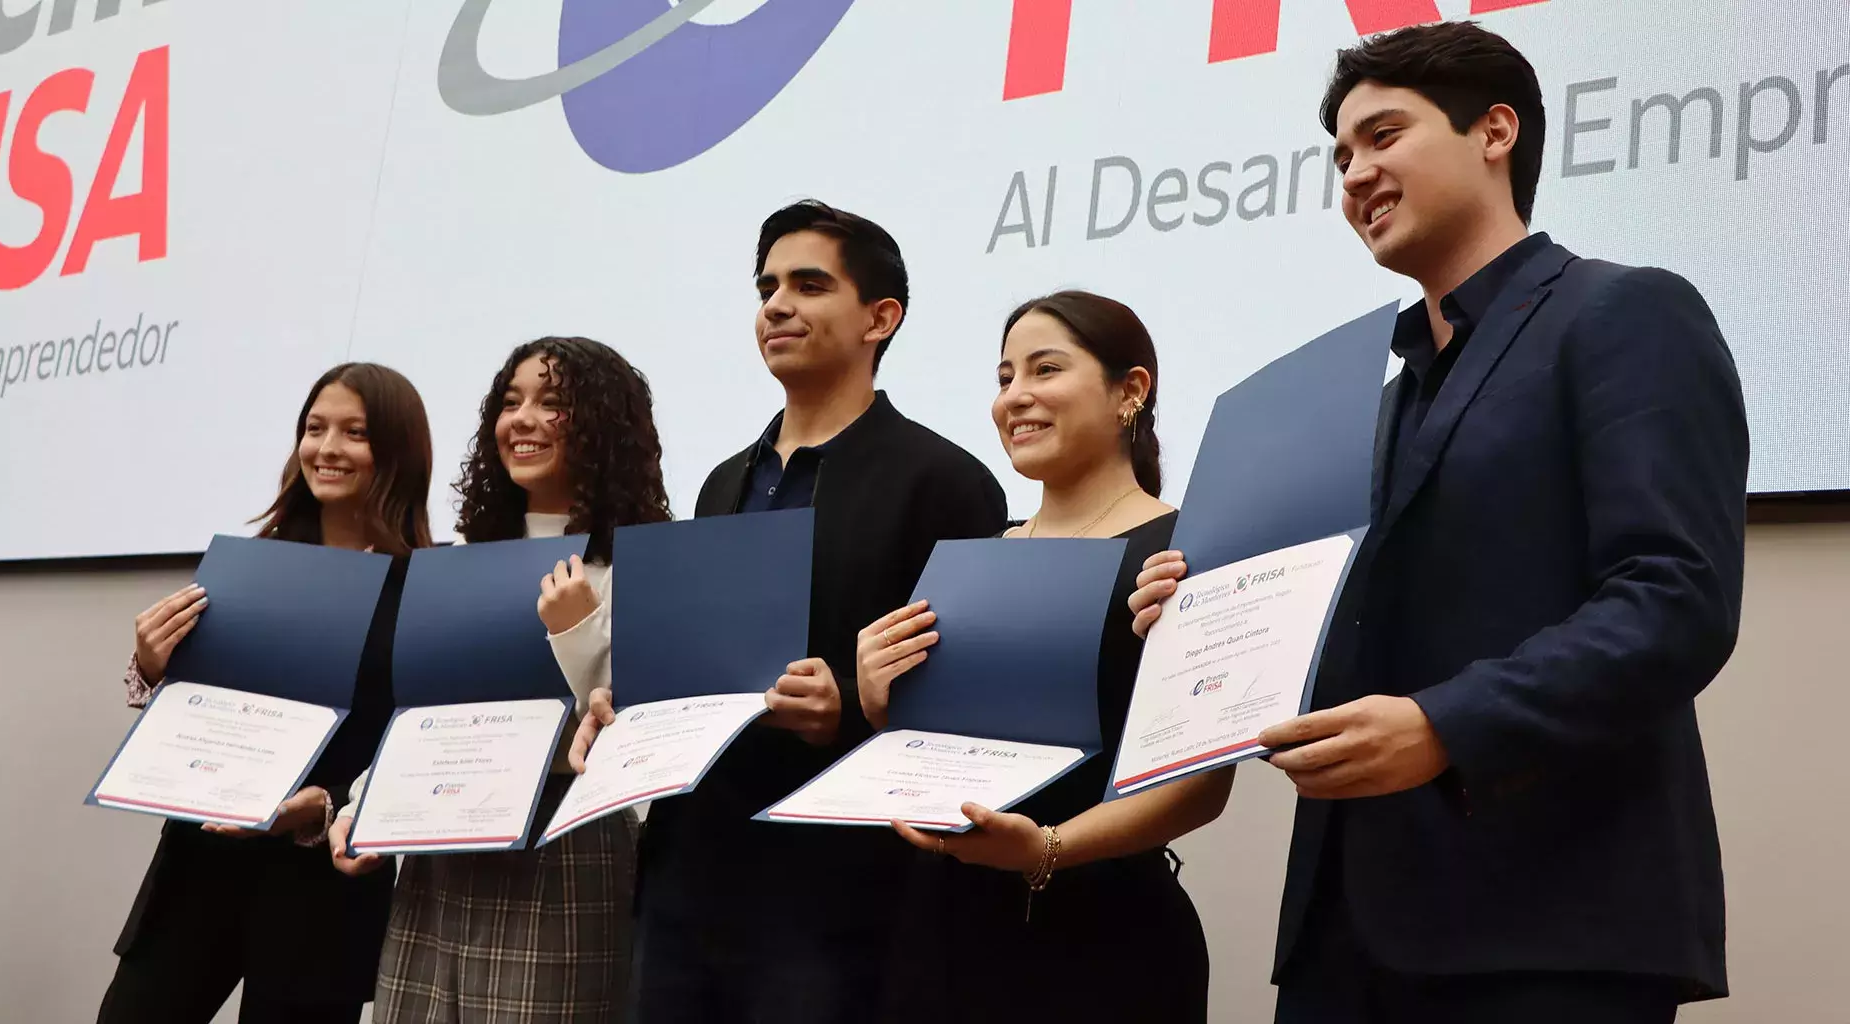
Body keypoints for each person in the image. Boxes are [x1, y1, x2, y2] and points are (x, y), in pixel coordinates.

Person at [1130, 22, 1747, 1024]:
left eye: (1382, 136)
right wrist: (1208, 635)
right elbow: (1361, 656)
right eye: (1338, 156)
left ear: (1495, 129)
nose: (1354, 174)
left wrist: (1443, 727)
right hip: (1343, 936)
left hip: (1549, 922)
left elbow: (1674, 600)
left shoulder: (1623, 313)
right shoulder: (1373, 408)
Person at [569, 200, 1009, 1022]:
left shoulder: (945, 482)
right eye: (767, 285)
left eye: (809, 284)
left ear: (881, 318)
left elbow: (974, 692)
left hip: (835, 888)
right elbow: (697, 662)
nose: (777, 304)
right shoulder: (720, 482)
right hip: (689, 870)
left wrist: (846, 699)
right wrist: (627, 705)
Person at [861, 290, 1233, 1022]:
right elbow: (941, 760)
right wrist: (879, 709)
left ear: (1130, 391)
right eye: (1004, 378)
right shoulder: (975, 558)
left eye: (1045, 369)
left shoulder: (1185, 551)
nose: (1016, 397)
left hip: (1104, 945)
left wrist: (1048, 849)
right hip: (944, 938)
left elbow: (1204, 785)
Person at [327, 337, 667, 1023]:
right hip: (440, 847)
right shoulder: (460, 562)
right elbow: (424, 712)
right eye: (511, 403)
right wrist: (359, 805)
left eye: (554, 402)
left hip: (564, 845)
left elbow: (641, 734)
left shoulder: (647, 562)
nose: (524, 420)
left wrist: (578, 631)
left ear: (604, 423)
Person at [97, 362, 434, 1024]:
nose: (327, 448)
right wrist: (149, 664)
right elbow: (191, 710)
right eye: (315, 428)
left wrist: (325, 808)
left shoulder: (425, 595)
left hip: (324, 894)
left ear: (396, 451)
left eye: (355, 432)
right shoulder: (249, 572)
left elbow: (413, 750)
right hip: (201, 866)